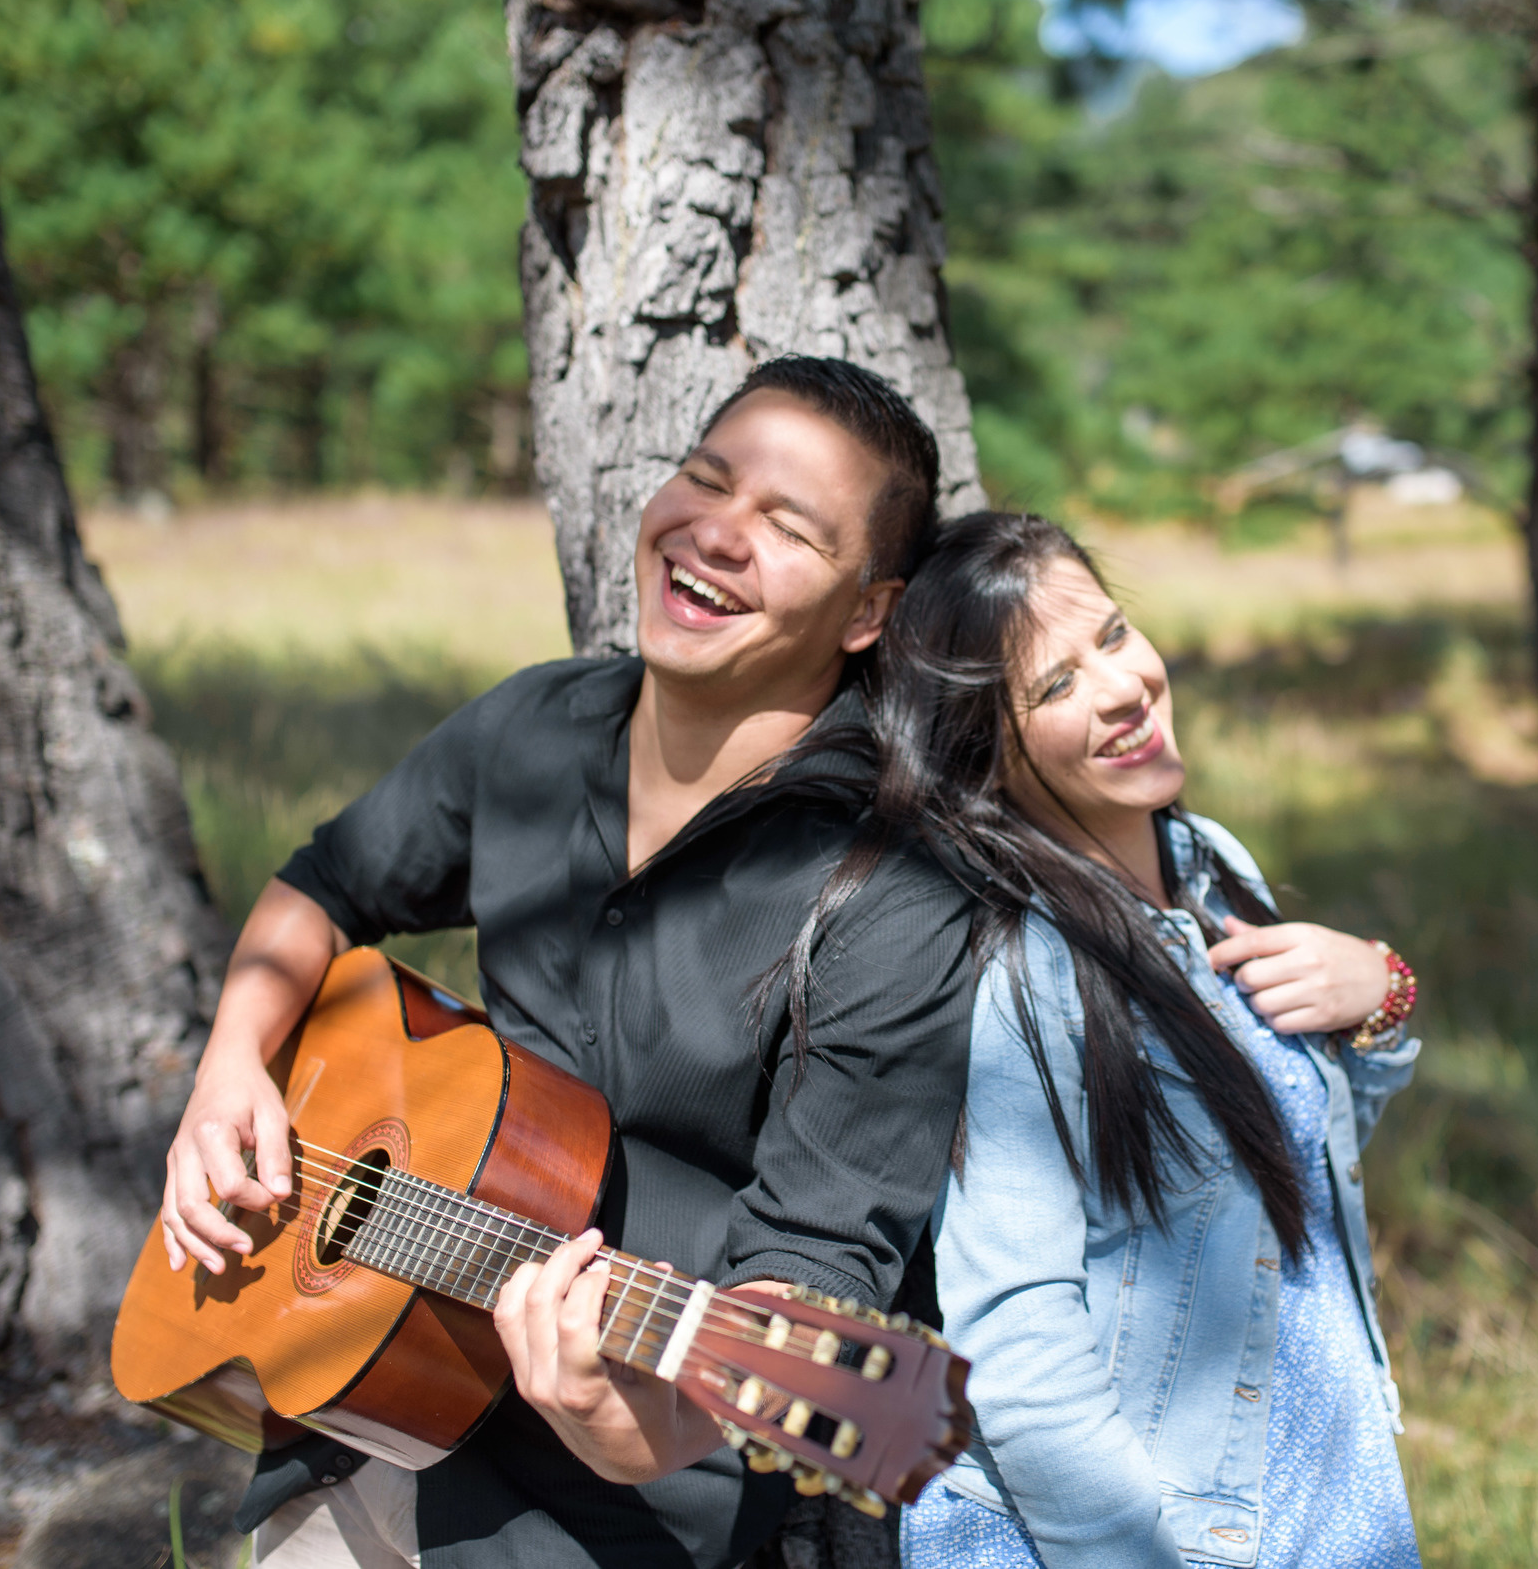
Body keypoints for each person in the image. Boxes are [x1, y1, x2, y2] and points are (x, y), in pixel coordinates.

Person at [155, 357, 978, 1569]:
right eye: (705, 479)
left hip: (635, 1512)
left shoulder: (891, 890)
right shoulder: (534, 726)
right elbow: (323, 887)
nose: (719, 532)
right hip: (367, 1402)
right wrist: (227, 1072)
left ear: (865, 614)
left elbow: (816, 1286)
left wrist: (637, 1425)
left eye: (789, 527)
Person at [881, 513, 1423, 1569]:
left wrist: (1381, 995)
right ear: (981, 748)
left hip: (1322, 1479)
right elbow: (1020, 1349)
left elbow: (1292, 1169)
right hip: (1148, 1532)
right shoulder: (1021, 967)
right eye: (1054, 686)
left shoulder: (1209, 860)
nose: (1125, 687)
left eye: (1115, 635)